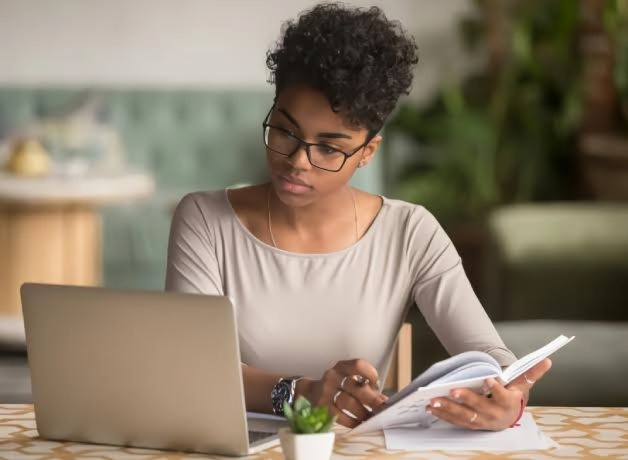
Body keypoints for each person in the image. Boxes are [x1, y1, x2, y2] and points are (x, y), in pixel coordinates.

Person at [165, 2, 551, 431]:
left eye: (328, 148)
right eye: (284, 131)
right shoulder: (203, 219)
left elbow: (487, 354)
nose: (297, 161)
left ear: (368, 152)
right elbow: (188, 367)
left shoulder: (410, 232)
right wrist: (300, 394)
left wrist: (507, 398)